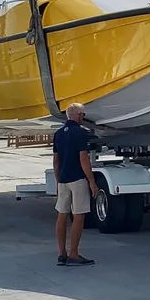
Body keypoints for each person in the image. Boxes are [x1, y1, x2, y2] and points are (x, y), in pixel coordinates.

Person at [53, 102, 99, 266]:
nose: (83, 117)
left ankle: (61, 254)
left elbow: (56, 161)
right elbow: (83, 158)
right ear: (78, 115)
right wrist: (92, 181)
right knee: (79, 215)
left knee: (62, 215)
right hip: (78, 179)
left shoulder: (58, 134)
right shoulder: (80, 133)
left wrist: (58, 181)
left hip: (63, 179)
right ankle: (74, 253)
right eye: (83, 115)